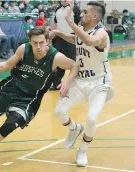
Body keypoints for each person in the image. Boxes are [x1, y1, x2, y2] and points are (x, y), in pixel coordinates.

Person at [0, 26, 79, 164]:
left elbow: (75, 65)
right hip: (11, 88)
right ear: (30, 41)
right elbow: (6, 65)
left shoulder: (56, 57)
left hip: (29, 98)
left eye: (41, 42)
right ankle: (8, 110)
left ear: (47, 42)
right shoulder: (24, 49)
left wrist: (67, 82)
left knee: (9, 126)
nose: (38, 46)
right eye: (35, 43)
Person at [52, 1, 114, 167]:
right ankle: (74, 128)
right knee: (59, 112)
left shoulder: (101, 33)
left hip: (99, 82)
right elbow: (75, 39)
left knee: (92, 118)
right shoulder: (82, 32)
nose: (81, 14)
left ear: (94, 16)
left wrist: (70, 22)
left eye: (85, 12)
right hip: (80, 81)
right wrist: (57, 32)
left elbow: (88, 41)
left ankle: (82, 150)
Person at [49, 0, 81, 91]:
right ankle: (56, 84)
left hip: (70, 38)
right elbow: (55, 23)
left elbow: (79, 23)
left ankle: (75, 85)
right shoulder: (58, 9)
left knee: (73, 61)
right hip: (58, 38)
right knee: (57, 61)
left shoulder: (75, 9)